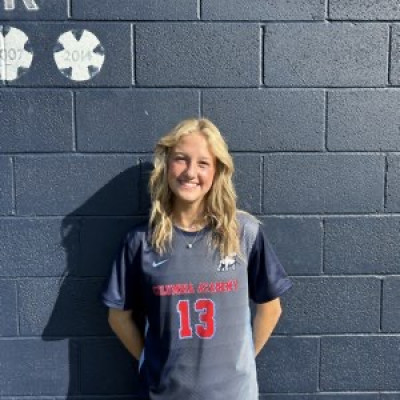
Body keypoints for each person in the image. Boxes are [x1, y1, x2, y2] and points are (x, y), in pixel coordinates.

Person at [101, 117, 293, 400]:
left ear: (216, 171)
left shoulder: (244, 233)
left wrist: (242, 365)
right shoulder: (140, 242)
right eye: (181, 159)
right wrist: (150, 362)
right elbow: (118, 317)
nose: (190, 172)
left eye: (203, 163)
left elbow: (271, 309)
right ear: (166, 164)